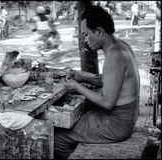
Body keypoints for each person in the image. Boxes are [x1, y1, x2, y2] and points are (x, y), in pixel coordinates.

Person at [54, 5, 140, 159]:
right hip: (127, 118)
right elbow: (110, 81)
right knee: (76, 119)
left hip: (116, 124)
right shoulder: (121, 46)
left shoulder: (114, 55)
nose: (85, 40)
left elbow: (107, 102)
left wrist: (77, 86)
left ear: (99, 31)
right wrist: (82, 77)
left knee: (56, 137)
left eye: (86, 35)